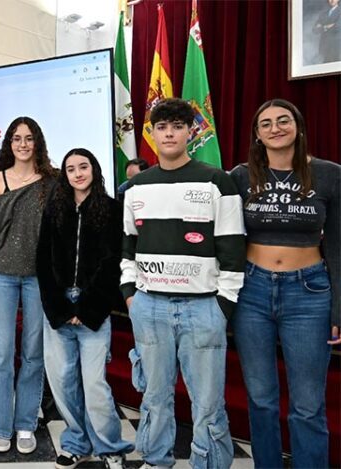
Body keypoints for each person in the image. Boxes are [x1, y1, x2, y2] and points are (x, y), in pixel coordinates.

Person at [120, 98, 246, 469]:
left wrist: (223, 304)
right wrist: (130, 295)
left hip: (203, 306)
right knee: (154, 397)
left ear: (191, 132)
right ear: (153, 134)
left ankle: (208, 464)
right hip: (150, 306)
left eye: (177, 126)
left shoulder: (216, 180)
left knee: (207, 403)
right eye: (162, 127)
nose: (170, 132)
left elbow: (233, 247)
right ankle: (157, 459)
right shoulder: (136, 186)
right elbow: (127, 247)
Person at [229, 99, 340, 468]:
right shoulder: (241, 177)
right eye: (266, 124)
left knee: (308, 404)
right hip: (252, 292)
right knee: (260, 398)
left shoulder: (329, 174)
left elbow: (338, 246)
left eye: (283, 120)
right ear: (257, 135)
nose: (275, 128)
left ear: (298, 126)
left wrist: (339, 307)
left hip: (308, 294)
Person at [37, 148, 134, 469]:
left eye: (83, 166)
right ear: (64, 175)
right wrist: (62, 308)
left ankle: (110, 448)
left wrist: (88, 307)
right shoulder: (54, 211)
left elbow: (113, 264)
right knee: (64, 382)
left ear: (94, 169)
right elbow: (43, 262)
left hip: (94, 308)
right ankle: (77, 441)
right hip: (58, 306)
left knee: (94, 384)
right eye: (70, 169)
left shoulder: (110, 209)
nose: (78, 173)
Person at [0, 116, 57, 454]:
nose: (23, 144)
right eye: (16, 138)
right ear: (9, 143)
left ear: (38, 142)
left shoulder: (51, 182)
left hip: (38, 278)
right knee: (2, 355)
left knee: (33, 354)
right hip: (1, 276)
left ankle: (25, 424)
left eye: (29, 138)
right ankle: (2, 426)